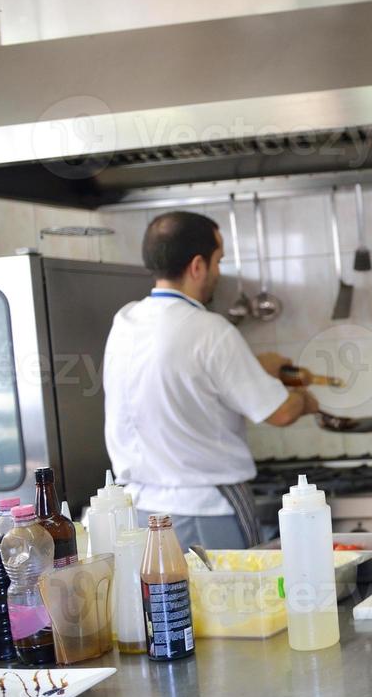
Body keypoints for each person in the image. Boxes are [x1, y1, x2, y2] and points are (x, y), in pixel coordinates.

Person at [103, 211, 319, 549]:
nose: (219, 272)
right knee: (231, 601)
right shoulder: (211, 330)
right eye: (218, 261)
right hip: (206, 512)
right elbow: (282, 413)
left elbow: (185, 380)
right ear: (197, 266)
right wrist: (306, 401)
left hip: (141, 512)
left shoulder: (126, 321)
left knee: (164, 603)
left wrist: (255, 366)